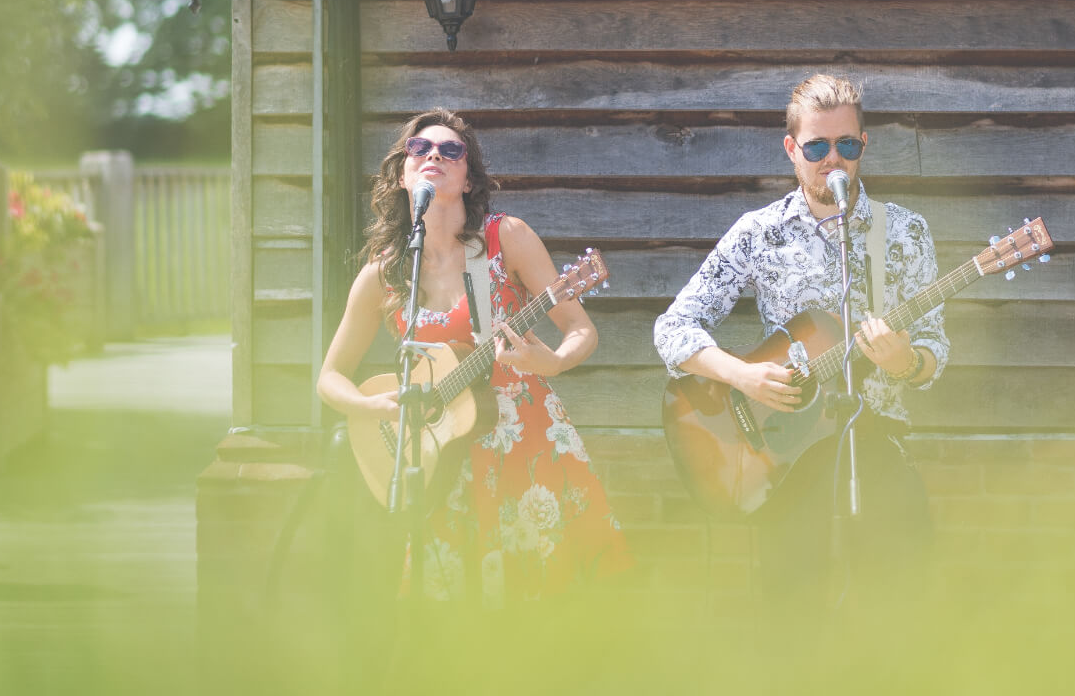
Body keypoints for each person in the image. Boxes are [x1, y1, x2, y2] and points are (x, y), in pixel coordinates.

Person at [654, 73, 949, 617]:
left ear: (864, 146)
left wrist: (905, 361)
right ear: (791, 149)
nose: (832, 159)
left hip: (877, 438)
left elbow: (933, 351)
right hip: (786, 456)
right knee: (792, 614)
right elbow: (673, 328)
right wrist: (740, 376)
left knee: (903, 604)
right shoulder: (757, 232)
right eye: (816, 146)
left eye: (847, 145)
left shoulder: (903, 232)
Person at [317, 108, 631, 605]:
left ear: (468, 179)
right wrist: (375, 406)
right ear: (402, 175)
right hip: (436, 457)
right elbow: (330, 377)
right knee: (455, 609)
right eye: (419, 150)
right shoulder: (385, 274)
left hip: (521, 437)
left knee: (546, 593)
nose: (434, 156)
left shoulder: (505, 239)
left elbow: (580, 328)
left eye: (451, 150)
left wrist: (550, 363)